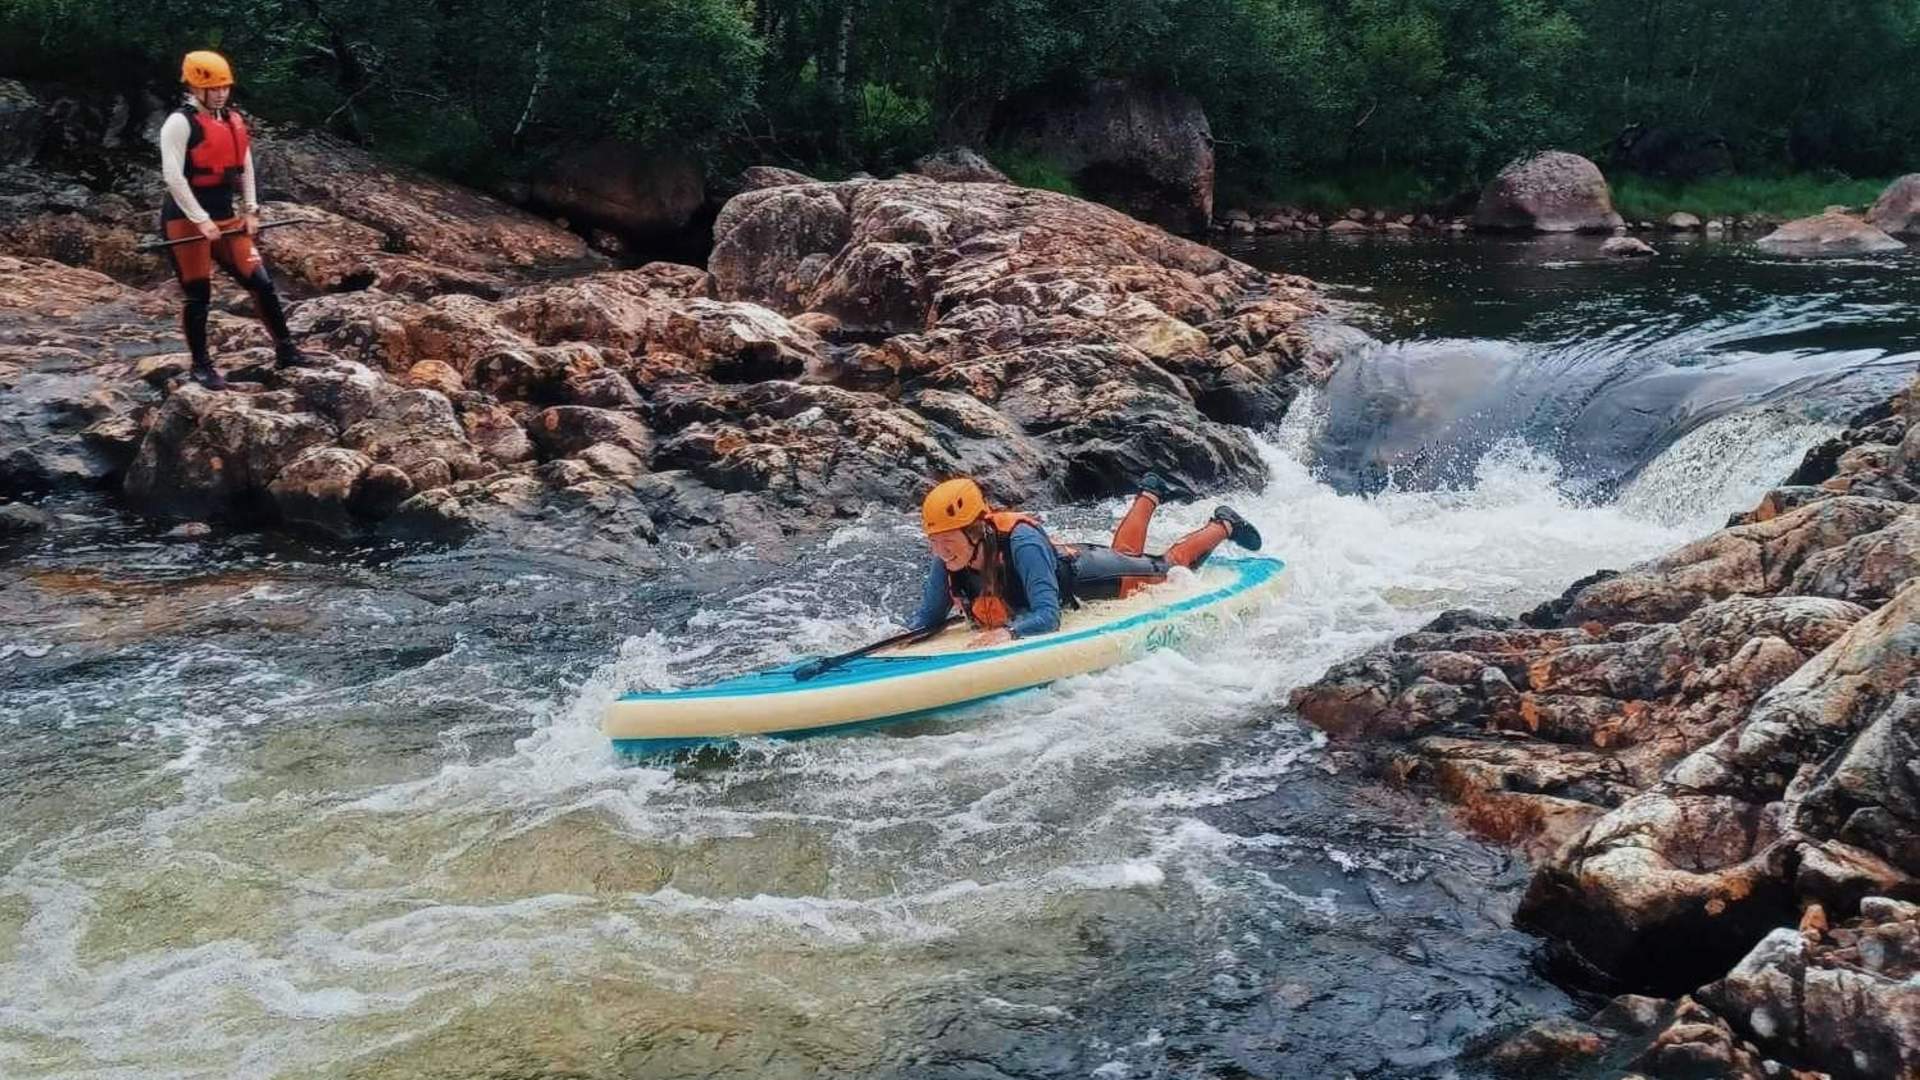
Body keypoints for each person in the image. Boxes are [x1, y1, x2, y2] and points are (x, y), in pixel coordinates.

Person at [910, 476, 1263, 648]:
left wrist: (1009, 632)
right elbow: (926, 620)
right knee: (1129, 555)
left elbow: (1048, 616)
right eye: (934, 542)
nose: (940, 551)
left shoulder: (1021, 542)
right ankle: (1150, 493)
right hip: (1069, 560)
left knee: (1165, 568)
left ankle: (1224, 523)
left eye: (947, 541)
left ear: (975, 531)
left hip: (1090, 577)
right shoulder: (948, 557)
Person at [160, 50, 310, 389]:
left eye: (224, 87)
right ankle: (201, 366)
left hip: (226, 217)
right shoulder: (179, 123)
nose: (220, 94)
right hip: (185, 220)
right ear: (193, 87)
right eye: (212, 88)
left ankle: (286, 350)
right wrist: (201, 220)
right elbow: (173, 177)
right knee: (198, 294)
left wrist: (251, 209)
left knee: (261, 283)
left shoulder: (232, 121)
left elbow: (245, 167)